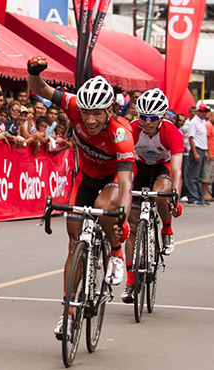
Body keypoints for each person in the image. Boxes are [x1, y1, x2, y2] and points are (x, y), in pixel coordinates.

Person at [28, 56, 134, 338]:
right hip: (85, 176)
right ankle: (68, 311)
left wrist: (122, 217)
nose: (89, 119)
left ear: (108, 111)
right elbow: (40, 88)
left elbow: (125, 184)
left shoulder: (121, 133)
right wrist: (33, 71)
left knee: (103, 209)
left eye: (97, 113)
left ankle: (115, 252)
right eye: (86, 112)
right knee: (74, 241)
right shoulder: (74, 106)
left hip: (112, 178)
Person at [121, 89, 184, 303]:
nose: (146, 122)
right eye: (142, 117)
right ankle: (130, 283)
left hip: (161, 168)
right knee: (132, 226)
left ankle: (166, 228)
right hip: (138, 167)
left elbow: (176, 170)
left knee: (161, 194)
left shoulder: (171, 132)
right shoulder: (132, 130)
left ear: (161, 117)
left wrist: (174, 194)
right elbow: (123, 164)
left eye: (151, 118)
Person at [187, 104, 210, 205]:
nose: (204, 113)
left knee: (200, 175)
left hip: (202, 149)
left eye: (205, 111)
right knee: (193, 175)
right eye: (202, 111)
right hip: (196, 149)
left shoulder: (203, 122)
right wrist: (195, 153)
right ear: (197, 112)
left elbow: (204, 138)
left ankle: (200, 197)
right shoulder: (194, 122)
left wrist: (207, 152)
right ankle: (193, 197)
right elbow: (191, 138)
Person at [202, 111, 214, 201]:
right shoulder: (208, 125)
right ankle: (204, 193)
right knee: (206, 174)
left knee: (210, 175)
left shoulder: (211, 125)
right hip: (209, 154)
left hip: (212, 154)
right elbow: (205, 139)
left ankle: (207, 192)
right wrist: (208, 152)